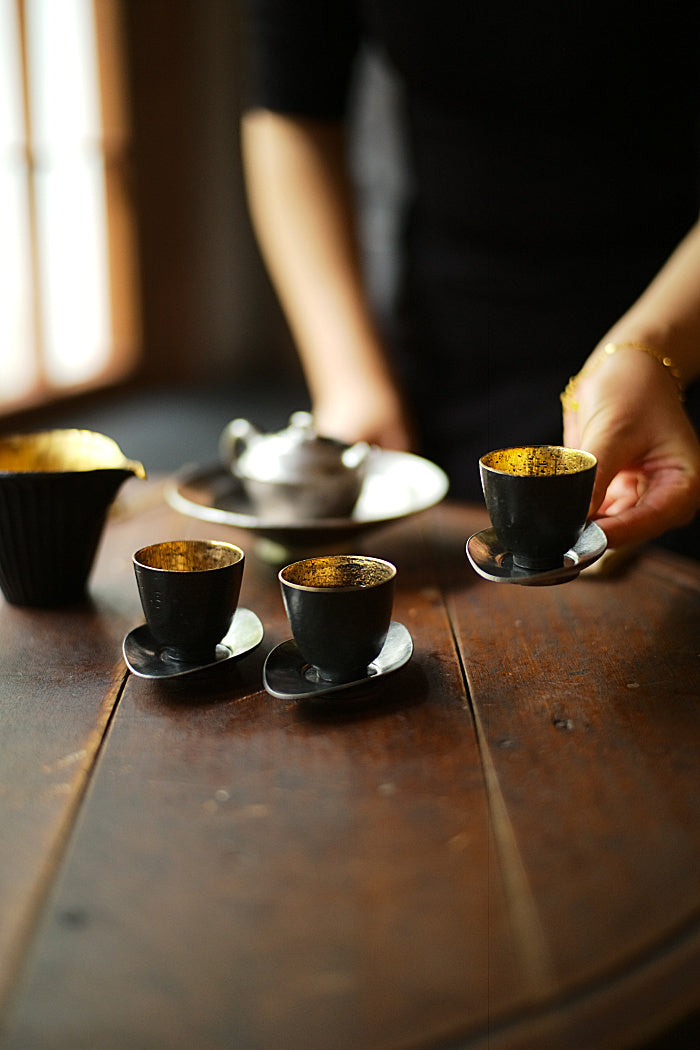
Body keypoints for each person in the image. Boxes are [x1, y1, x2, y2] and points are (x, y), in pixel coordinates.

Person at [239, 1, 700, 555]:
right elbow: (292, 106)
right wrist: (351, 382)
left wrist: (656, 350)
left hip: (680, 330)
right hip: (448, 351)